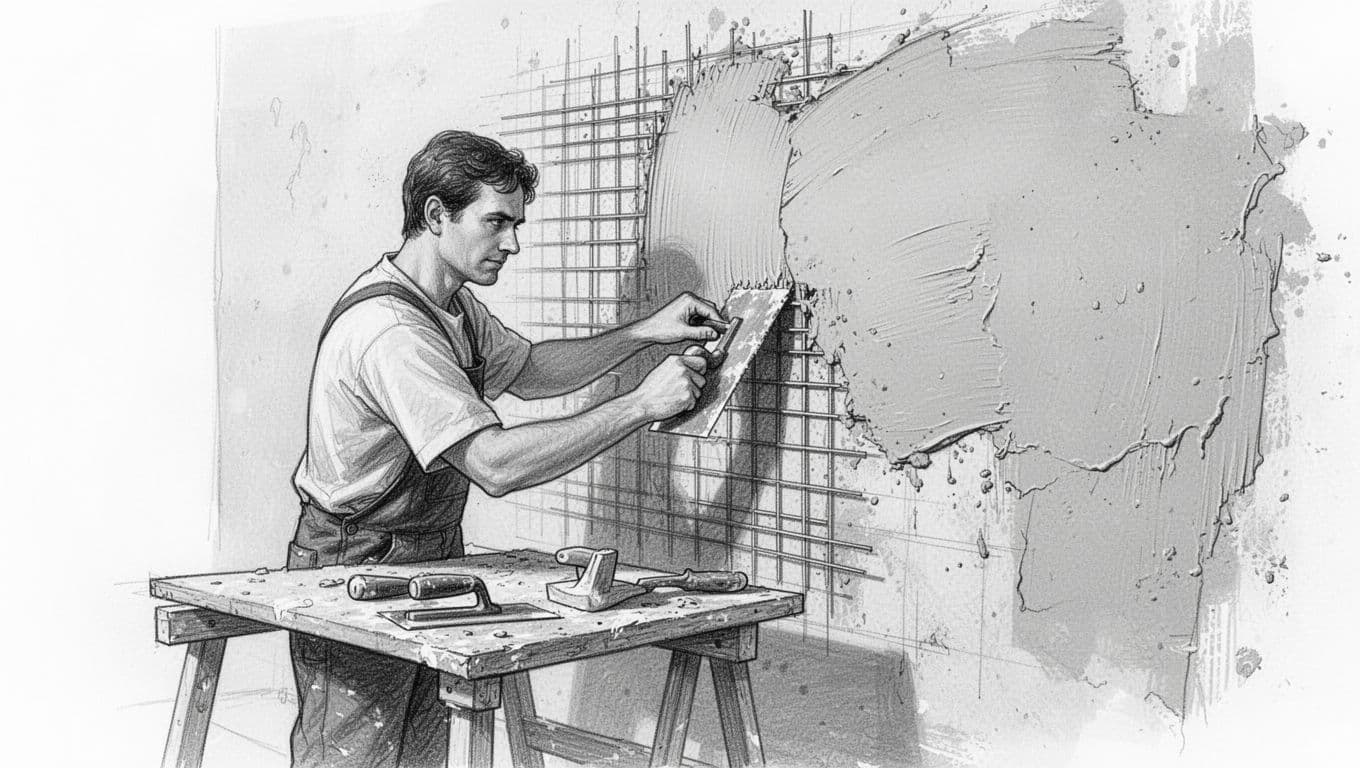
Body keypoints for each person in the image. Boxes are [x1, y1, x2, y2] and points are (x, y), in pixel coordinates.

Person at [285, 129, 725, 767]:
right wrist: (639, 405)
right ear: (437, 215)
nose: (512, 242)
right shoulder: (391, 332)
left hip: (426, 563)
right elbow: (492, 464)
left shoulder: (450, 308)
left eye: (515, 223)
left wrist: (645, 333)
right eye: (496, 223)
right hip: (356, 566)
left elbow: (534, 370)